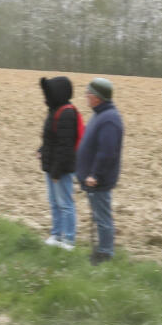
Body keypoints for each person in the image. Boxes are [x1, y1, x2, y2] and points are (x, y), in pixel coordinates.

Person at [77, 77, 124, 265]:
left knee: (103, 218)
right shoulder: (100, 114)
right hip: (93, 178)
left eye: (88, 93)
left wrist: (95, 174)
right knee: (99, 216)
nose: (86, 96)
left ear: (97, 97)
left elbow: (107, 152)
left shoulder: (109, 119)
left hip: (98, 180)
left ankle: (105, 254)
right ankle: (101, 250)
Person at [37, 76, 80, 250]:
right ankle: (56, 235)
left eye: (48, 93)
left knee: (66, 204)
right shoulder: (55, 110)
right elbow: (51, 139)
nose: (45, 97)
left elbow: (65, 146)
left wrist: (56, 172)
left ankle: (68, 239)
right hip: (52, 166)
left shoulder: (67, 113)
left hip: (61, 169)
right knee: (54, 202)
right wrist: (42, 150)